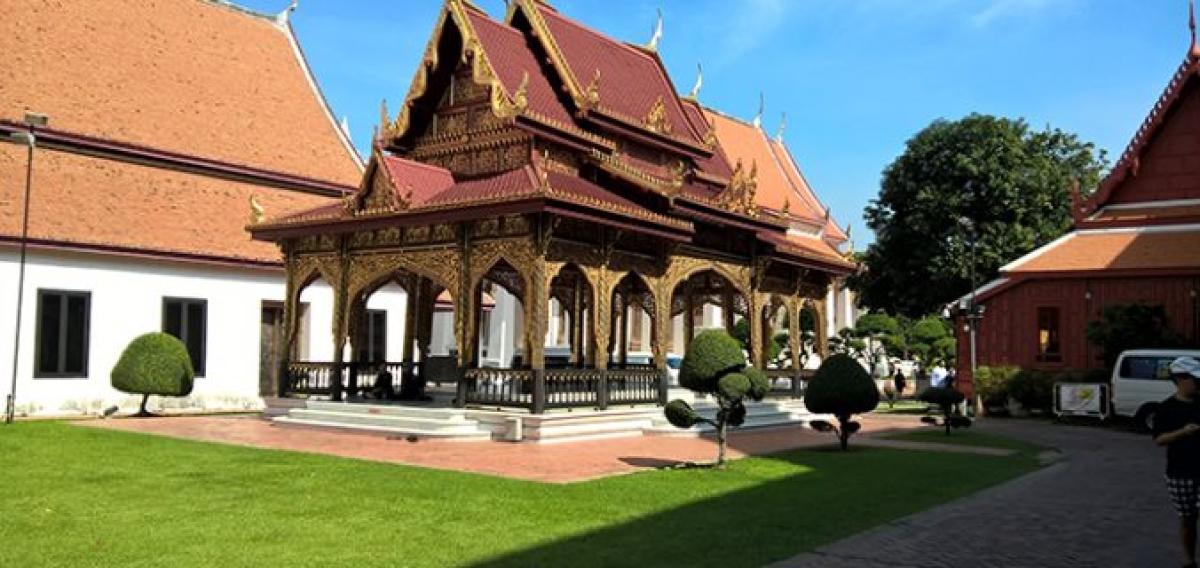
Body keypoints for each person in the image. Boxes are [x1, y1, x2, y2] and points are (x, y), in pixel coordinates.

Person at [1152, 356, 1200, 568]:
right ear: (1181, 379)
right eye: (1194, 379)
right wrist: (1183, 432)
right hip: (1179, 472)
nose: (1198, 383)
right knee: (1187, 518)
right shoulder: (1166, 408)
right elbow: (1159, 440)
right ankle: (1190, 562)